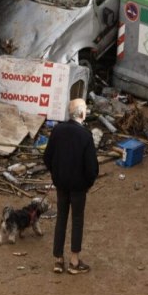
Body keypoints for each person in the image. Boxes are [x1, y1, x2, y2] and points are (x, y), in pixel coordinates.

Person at [43, 98, 99, 275]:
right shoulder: (85, 136)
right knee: (77, 220)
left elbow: (47, 158)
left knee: (61, 218)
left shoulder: (57, 130)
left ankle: (58, 260)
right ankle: (74, 262)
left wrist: (56, 174)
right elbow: (92, 168)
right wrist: (87, 183)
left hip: (61, 184)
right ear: (82, 114)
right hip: (78, 187)